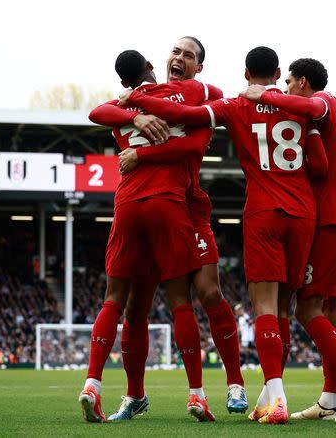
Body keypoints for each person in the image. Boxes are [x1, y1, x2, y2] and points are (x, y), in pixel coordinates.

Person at [119, 46, 326, 425]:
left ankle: (273, 396)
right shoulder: (301, 105)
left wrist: (135, 100)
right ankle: (278, 392)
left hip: (262, 210)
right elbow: (322, 164)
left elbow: (184, 116)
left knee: (261, 306)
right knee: (285, 309)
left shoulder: (231, 104)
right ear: (279, 72)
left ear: (246, 73)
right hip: (302, 213)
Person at [89, 37, 247, 420]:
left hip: (188, 208)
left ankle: (234, 384)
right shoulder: (143, 97)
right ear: (155, 62)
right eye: (175, 52)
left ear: (199, 66)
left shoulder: (200, 94)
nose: (179, 58)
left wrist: (139, 142)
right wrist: (136, 112)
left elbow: (194, 142)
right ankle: (134, 395)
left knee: (209, 293)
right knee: (136, 307)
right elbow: (99, 111)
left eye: (188, 55)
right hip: (160, 206)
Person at [239, 58, 336, 422]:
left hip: (329, 219)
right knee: (333, 309)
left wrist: (262, 96)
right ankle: (330, 397)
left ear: (302, 82)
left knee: (304, 308)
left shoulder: (324, 102)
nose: (284, 90)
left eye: (289, 83)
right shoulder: (327, 119)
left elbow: (319, 165)